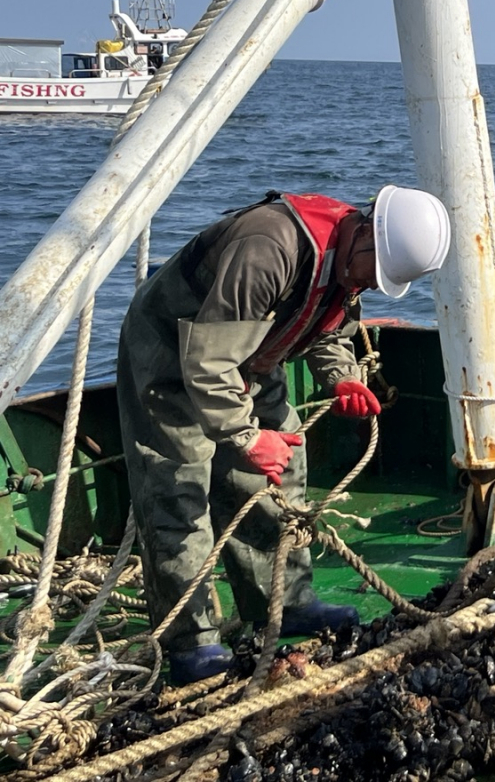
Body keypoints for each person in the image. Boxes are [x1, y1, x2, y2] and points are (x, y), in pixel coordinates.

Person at [117, 185, 450, 684]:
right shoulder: (268, 249)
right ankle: (190, 643)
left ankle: (284, 603)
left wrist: (342, 377)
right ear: (364, 231)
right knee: (177, 488)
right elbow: (207, 364)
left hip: (255, 353)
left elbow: (331, 330)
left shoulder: (349, 264)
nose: (369, 285)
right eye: (371, 272)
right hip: (172, 354)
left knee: (282, 466)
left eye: (380, 281)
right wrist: (247, 438)